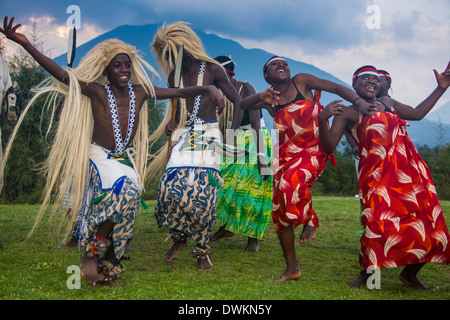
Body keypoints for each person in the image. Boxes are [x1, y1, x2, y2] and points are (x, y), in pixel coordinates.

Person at [0, 16, 224, 286]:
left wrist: (209, 87)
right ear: (106, 70)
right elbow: (62, 75)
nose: (124, 69)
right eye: (117, 65)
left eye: (127, 65)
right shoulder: (95, 91)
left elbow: (178, 91)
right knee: (125, 193)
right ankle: (90, 251)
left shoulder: (140, 92)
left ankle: (108, 269)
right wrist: (26, 45)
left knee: (126, 208)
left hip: (122, 159)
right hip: (99, 155)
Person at [240, 56, 377, 281]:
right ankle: (292, 268)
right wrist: (260, 96)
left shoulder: (301, 82)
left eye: (284, 63)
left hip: (313, 150)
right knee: (279, 210)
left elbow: (335, 87)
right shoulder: (269, 98)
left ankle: (310, 219)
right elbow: (241, 104)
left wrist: (358, 101)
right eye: (275, 64)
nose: (282, 65)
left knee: (290, 182)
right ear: (266, 75)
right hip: (285, 155)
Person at [318, 63, 450, 290]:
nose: (371, 81)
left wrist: (441, 89)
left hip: (409, 173)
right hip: (376, 176)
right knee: (378, 222)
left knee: (428, 222)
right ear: (354, 85)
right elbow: (329, 147)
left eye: (375, 79)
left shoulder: (389, 104)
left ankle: (409, 273)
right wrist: (322, 119)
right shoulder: (348, 113)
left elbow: (418, 114)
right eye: (364, 78)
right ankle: (367, 274)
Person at [150, 22, 242, 271]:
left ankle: (202, 252)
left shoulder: (213, 69)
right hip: (187, 134)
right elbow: (176, 104)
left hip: (210, 134)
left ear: (185, 47)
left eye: (173, 51)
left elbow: (238, 101)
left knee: (203, 196)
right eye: (166, 54)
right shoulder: (174, 76)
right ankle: (179, 238)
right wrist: (172, 125)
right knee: (170, 188)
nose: (170, 57)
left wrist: (231, 137)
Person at [210, 55, 273, 252]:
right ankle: (226, 226)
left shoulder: (246, 88)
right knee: (225, 184)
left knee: (253, 191)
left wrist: (262, 159)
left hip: (255, 139)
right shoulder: (216, 92)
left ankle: (253, 238)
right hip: (232, 139)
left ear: (227, 75)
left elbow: (255, 122)